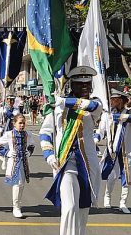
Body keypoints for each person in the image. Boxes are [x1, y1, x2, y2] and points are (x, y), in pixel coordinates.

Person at [39, 66, 102, 235]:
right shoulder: (58, 106)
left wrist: (62, 101)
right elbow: (45, 133)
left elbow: (92, 106)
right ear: (71, 86)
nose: (85, 88)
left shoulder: (96, 103)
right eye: (80, 85)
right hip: (65, 162)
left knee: (83, 209)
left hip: (87, 164)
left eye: (87, 85)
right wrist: (49, 155)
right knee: (70, 207)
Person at [94, 88, 131, 213]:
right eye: (112, 99)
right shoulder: (107, 114)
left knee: (127, 177)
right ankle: (107, 198)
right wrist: (95, 139)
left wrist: (122, 117)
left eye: (115, 99)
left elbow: (126, 118)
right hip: (112, 150)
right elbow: (101, 131)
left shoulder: (128, 114)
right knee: (112, 176)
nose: (112, 101)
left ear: (121, 101)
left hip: (127, 151)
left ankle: (123, 203)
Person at [0, 114, 35, 218]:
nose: (22, 125)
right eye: (20, 123)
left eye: (23, 123)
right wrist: (7, 153)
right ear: (14, 123)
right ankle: (16, 207)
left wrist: (29, 152)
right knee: (17, 184)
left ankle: (17, 205)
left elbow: (32, 145)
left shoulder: (28, 134)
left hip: (24, 163)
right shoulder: (9, 134)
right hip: (13, 163)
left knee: (22, 185)